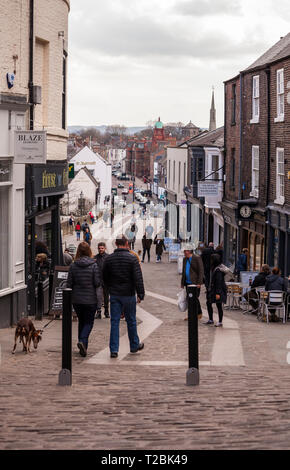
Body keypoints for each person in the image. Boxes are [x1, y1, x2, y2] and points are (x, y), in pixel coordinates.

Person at [102, 235, 145, 358]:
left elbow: (104, 277)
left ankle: (114, 350)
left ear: (115, 243)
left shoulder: (109, 259)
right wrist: (140, 294)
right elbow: (138, 278)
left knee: (114, 322)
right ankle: (134, 345)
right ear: (126, 243)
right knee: (131, 320)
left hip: (115, 294)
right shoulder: (132, 259)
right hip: (129, 294)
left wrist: (110, 288)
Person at [66, 242, 101, 357]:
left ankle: (83, 346)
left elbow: (69, 283)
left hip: (77, 299)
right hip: (90, 299)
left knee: (81, 321)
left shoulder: (73, 265)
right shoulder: (94, 265)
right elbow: (97, 283)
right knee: (89, 322)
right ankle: (82, 340)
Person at [181, 245, 204, 320]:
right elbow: (183, 271)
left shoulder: (197, 258)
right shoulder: (185, 259)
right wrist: (182, 283)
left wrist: (199, 283)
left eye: (185, 251)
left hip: (195, 283)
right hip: (187, 283)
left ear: (189, 251)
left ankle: (198, 313)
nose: (184, 252)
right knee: (189, 299)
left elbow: (201, 271)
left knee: (195, 298)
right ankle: (190, 315)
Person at [206, 254, 228, 327]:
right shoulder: (215, 268)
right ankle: (211, 319)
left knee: (218, 305)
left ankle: (220, 321)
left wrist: (218, 293)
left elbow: (219, 282)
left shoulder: (218, 270)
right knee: (209, 303)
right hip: (214, 289)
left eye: (212, 259)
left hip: (218, 290)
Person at [94, 242, 110, 319]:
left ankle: (106, 311)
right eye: (99, 248)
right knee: (98, 296)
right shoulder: (95, 258)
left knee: (106, 297)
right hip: (98, 280)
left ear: (105, 248)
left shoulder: (108, 257)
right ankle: (98, 312)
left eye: (102, 248)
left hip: (106, 280)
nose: (101, 250)